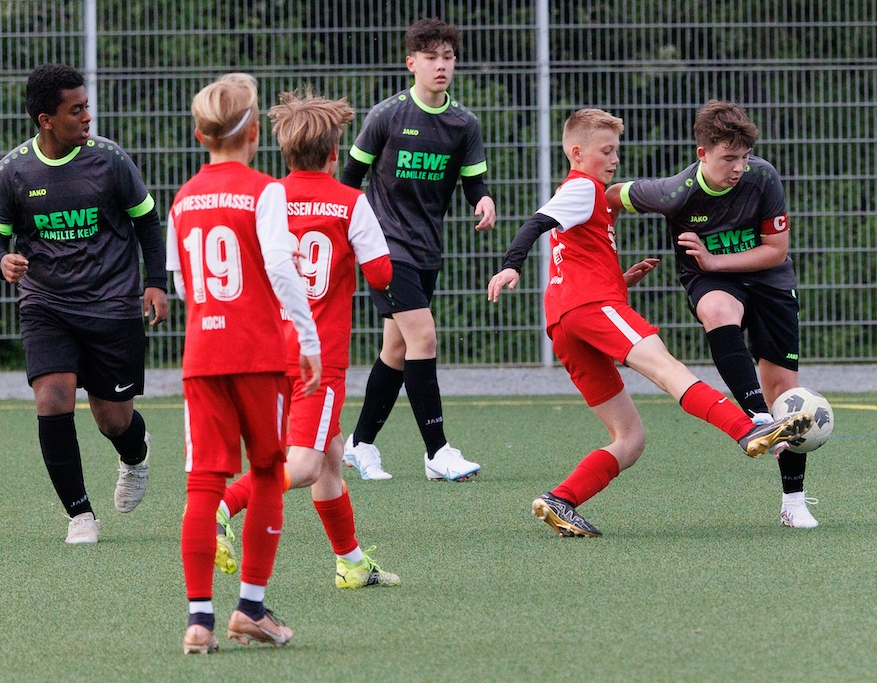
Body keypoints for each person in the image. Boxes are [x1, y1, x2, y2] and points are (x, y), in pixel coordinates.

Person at [487, 109, 812, 538]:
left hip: (566, 320)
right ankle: (749, 429)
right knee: (668, 370)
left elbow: (576, 258)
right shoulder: (583, 187)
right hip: (590, 308)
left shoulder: (587, 199)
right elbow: (536, 223)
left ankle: (560, 499)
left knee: (630, 437)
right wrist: (511, 265)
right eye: (606, 151)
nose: (615, 159)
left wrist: (617, 282)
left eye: (616, 151)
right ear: (577, 153)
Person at [213, 89, 399, 591]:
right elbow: (381, 275)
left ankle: (352, 563)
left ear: (283, 150)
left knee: (331, 457)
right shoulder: (350, 202)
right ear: (336, 152)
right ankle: (221, 506)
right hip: (319, 358)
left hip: (268, 348)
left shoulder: (266, 197)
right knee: (305, 463)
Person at [165, 73, 322, 654]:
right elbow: (281, 267)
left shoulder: (183, 197)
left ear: (199, 135)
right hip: (257, 353)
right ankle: (250, 609)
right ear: (255, 132)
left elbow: (183, 283)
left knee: (203, 483)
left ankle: (199, 621)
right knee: (266, 470)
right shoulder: (266, 191)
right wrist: (308, 337)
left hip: (202, 356)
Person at [606, 100, 818, 528]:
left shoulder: (763, 177)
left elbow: (776, 251)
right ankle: (758, 417)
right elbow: (609, 197)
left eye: (744, 157)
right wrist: (607, 265)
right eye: (728, 158)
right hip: (711, 284)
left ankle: (793, 503)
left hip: (770, 281)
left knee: (787, 394)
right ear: (702, 153)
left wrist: (713, 260)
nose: (738, 167)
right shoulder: (674, 192)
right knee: (718, 309)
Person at [0, 63, 167, 545]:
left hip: (112, 304)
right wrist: (2, 261)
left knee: (114, 420)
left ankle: (135, 454)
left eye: (86, 107)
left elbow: (147, 221)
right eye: (76, 110)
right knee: (52, 397)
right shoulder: (14, 170)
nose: (87, 117)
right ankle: (81, 515)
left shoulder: (110, 159)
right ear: (46, 119)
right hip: (46, 304)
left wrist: (156, 282)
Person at [340, 17, 497, 482]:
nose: (440, 65)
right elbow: (348, 182)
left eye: (447, 57)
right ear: (412, 63)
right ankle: (437, 451)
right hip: (384, 247)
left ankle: (360, 443)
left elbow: (475, 183)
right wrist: (345, 238)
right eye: (431, 57)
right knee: (423, 337)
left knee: (396, 348)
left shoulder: (464, 124)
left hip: (427, 248)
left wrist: (484, 200)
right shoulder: (386, 116)